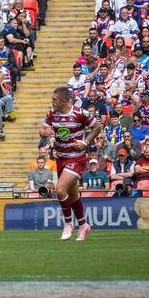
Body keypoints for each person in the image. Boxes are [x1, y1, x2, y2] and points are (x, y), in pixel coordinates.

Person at [39, 85, 102, 242]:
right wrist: (45, 132)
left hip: (77, 158)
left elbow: (97, 126)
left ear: (65, 100)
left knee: (60, 190)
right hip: (61, 158)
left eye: (55, 99)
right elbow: (42, 129)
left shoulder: (80, 113)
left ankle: (68, 224)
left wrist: (86, 141)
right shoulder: (52, 115)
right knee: (73, 196)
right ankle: (83, 225)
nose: (52, 102)